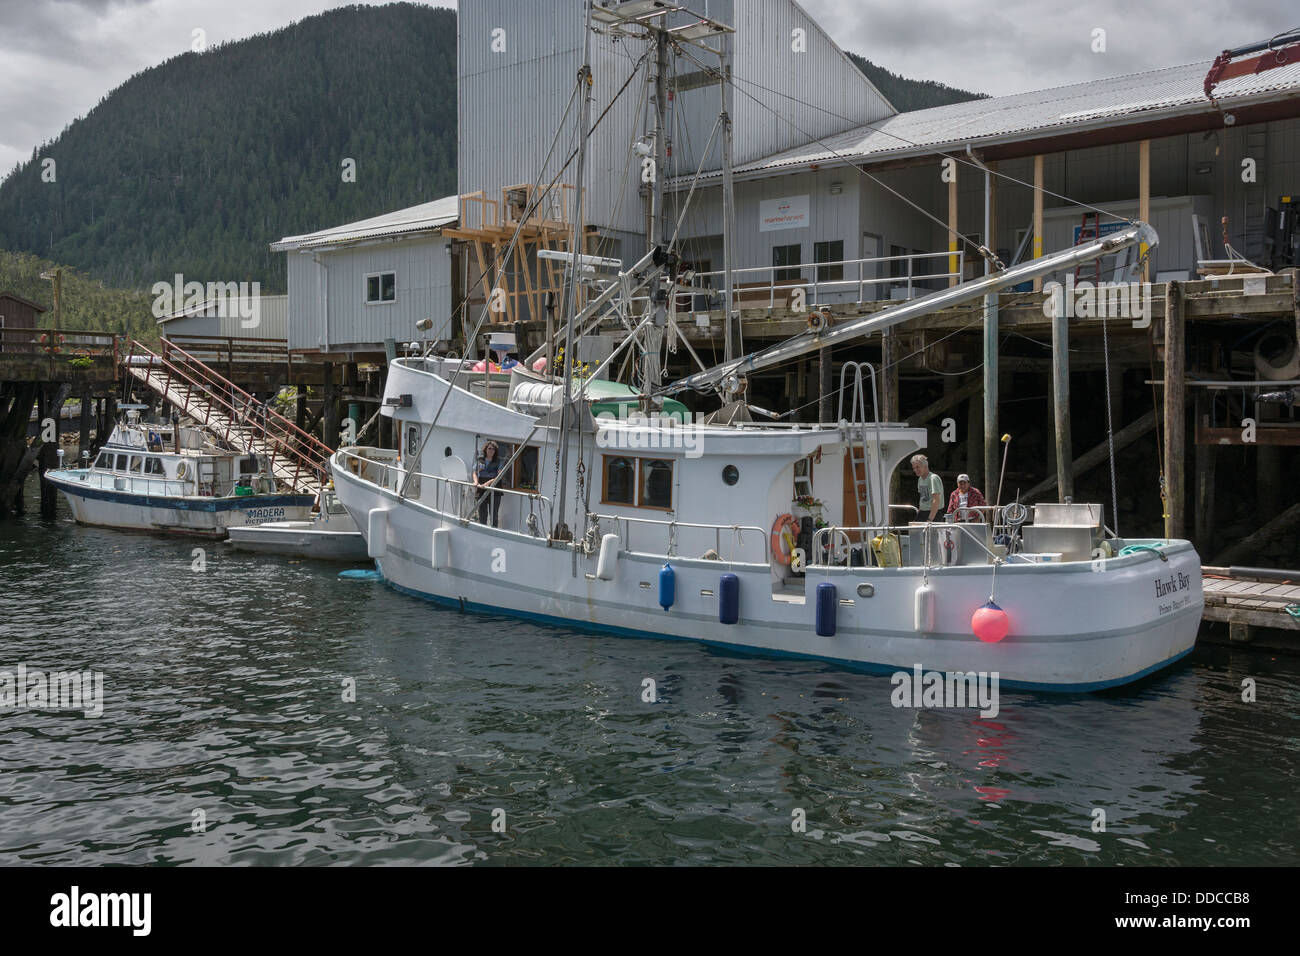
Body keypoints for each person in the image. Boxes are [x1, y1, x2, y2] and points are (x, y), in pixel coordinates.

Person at [473, 440, 504, 526]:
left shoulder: (499, 461)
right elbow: (475, 472)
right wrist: (476, 482)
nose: (491, 450)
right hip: (481, 489)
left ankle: (494, 533)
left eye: (493, 449)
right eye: (489, 448)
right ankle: (482, 532)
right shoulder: (480, 460)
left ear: (495, 451)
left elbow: (499, 476)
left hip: (495, 489)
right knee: (482, 514)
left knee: (494, 515)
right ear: (486, 449)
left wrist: (487, 484)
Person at [910, 454, 942, 521]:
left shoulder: (933, 478)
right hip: (922, 513)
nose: (915, 470)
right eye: (914, 468)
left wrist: (930, 519)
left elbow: (936, 500)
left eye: (917, 467)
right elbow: (922, 499)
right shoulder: (920, 479)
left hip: (933, 514)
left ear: (925, 466)